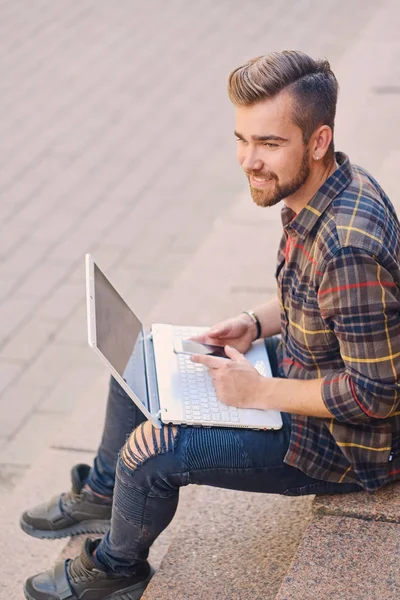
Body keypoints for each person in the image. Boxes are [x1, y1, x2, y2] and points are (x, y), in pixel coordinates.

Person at [22, 50, 400, 600]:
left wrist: (258, 391)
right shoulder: (325, 187)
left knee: (152, 452)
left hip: (342, 446)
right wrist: (253, 323)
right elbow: (311, 297)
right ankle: (103, 494)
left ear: (317, 142)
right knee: (144, 359)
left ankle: (115, 569)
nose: (249, 160)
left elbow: (377, 396)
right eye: (242, 140)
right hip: (297, 371)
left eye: (269, 144)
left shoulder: (348, 245)